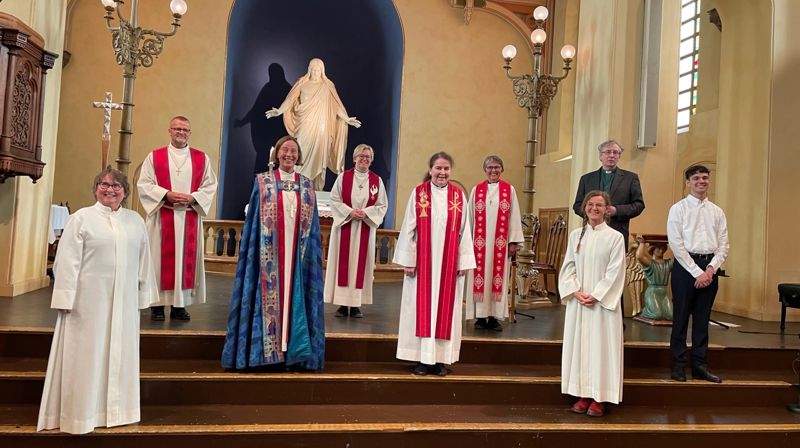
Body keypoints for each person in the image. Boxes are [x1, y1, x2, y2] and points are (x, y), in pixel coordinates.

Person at [38, 168, 157, 434]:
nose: (109, 189)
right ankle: (81, 415)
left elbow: (144, 260)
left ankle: (117, 411)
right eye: (104, 184)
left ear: (125, 192)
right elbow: (66, 261)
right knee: (87, 357)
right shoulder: (82, 218)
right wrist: (65, 298)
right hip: (87, 302)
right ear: (95, 189)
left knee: (120, 354)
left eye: (116, 186)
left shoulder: (134, 221)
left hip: (123, 302)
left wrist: (142, 295)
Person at [221, 136, 325, 371]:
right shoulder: (263, 182)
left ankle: (295, 353)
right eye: (285, 150)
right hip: (269, 256)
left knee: (296, 297)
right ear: (277, 154)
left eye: (294, 151)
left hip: (298, 257)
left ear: (298, 156)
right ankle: (265, 355)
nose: (289, 154)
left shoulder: (307, 185)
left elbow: (314, 227)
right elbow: (253, 226)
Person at [394, 152, 476, 377]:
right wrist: (408, 260)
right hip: (422, 265)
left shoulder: (458, 196)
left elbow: (464, 232)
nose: (442, 173)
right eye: (438, 168)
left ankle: (440, 360)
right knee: (420, 310)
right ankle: (422, 359)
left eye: (446, 169)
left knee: (445, 312)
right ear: (430, 170)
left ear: (451, 171)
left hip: (449, 266)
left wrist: (463, 261)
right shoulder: (419, 193)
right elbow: (409, 228)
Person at [137, 116, 218, 322]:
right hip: (161, 217)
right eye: (177, 129)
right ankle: (156, 306)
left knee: (184, 263)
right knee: (157, 261)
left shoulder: (202, 158)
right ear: (169, 131)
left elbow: (210, 186)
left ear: (190, 133)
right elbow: (144, 184)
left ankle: (179, 306)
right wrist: (166, 195)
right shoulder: (155, 157)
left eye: (185, 130)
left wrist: (193, 197)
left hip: (188, 216)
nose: (181, 132)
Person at [559, 190, 626, 418]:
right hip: (580, 303)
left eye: (599, 205)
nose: (594, 208)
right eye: (590, 204)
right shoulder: (576, 235)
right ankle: (582, 393)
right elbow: (568, 266)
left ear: (607, 210)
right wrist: (575, 291)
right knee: (581, 348)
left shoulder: (615, 237)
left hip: (601, 305)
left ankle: (599, 397)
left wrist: (596, 295)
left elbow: (616, 271)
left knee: (601, 349)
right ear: (584, 208)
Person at [667, 165, 729, 383]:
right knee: (681, 319)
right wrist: (697, 272)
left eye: (705, 178)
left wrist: (710, 269)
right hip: (685, 269)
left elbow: (723, 246)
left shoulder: (717, 211)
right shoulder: (678, 209)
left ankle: (700, 366)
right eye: (696, 178)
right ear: (688, 182)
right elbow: (675, 244)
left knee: (703, 321)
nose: (701, 181)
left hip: (709, 268)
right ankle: (678, 366)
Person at [573, 139, 644, 319]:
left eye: (615, 153)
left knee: (613, 275)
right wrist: (593, 214)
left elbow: (638, 205)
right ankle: (586, 311)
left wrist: (616, 210)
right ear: (600, 156)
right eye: (607, 152)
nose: (611, 156)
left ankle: (615, 321)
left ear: (619, 156)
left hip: (616, 232)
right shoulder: (586, 178)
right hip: (590, 233)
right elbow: (577, 205)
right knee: (588, 272)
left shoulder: (630, 178)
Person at [265, 58, 362, 190]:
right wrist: (279, 111)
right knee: (301, 154)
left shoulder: (327, 86)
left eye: (318, 70)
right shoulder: (302, 84)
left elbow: (336, 107)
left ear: (322, 71)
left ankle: (315, 190)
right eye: (313, 70)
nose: (315, 73)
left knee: (319, 159)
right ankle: (297, 186)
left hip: (322, 128)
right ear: (309, 70)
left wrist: (347, 118)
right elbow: (290, 100)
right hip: (304, 125)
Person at [324, 144, 388, 318]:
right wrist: (350, 212)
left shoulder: (377, 181)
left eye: (368, 157)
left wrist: (366, 213)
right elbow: (334, 199)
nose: (364, 159)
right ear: (354, 158)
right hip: (345, 226)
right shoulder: (343, 177)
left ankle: (357, 304)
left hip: (365, 228)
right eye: (361, 156)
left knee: (361, 265)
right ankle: (343, 304)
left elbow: (382, 205)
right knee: (343, 263)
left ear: (371, 160)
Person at [465, 155, 524, 332]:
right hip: (479, 245)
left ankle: (494, 317)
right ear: (485, 170)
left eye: (497, 167)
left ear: (501, 169)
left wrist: (513, 242)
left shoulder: (509, 190)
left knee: (497, 279)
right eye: (490, 167)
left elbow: (514, 216)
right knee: (479, 279)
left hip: (500, 245)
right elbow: (469, 218)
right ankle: (481, 317)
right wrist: (467, 241)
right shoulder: (477, 190)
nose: (493, 170)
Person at [635, 236, 674, 321]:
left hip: (664, 293)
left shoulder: (668, 263)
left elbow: (678, 258)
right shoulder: (650, 263)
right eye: (658, 248)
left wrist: (676, 242)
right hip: (653, 292)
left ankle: (653, 309)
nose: (661, 251)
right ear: (652, 249)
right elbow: (639, 256)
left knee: (671, 316)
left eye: (662, 248)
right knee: (657, 315)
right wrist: (642, 244)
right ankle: (645, 311)